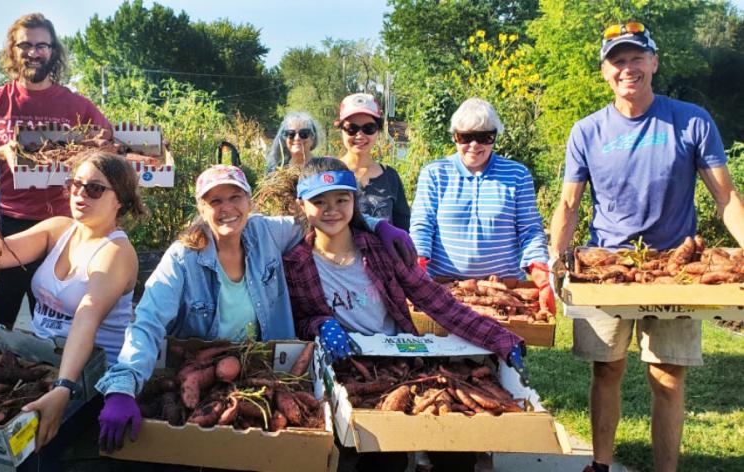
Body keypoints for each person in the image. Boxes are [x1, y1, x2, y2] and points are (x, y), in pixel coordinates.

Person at [95, 164, 418, 452]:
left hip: (269, 373)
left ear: (249, 202)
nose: (227, 209)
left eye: (235, 197)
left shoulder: (267, 233)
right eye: (215, 201)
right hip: (206, 374)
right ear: (201, 208)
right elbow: (148, 320)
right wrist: (123, 386)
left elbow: (326, 215)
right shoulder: (183, 257)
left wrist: (376, 225)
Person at [548, 22, 744, 472]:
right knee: (607, 370)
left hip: (677, 269)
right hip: (606, 267)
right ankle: (600, 464)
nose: (628, 68)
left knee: (668, 377)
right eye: (618, 61)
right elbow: (568, 202)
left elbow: (725, 197)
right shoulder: (588, 131)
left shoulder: (691, 120)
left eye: (637, 58)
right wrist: (554, 259)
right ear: (605, 72)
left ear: (654, 63)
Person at [283, 157, 527, 471]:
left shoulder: (380, 250)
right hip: (346, 373)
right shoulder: (296, 263)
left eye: (341, 199)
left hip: (400, 364)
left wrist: (502, 339)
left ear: (354, 201)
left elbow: (437, 301)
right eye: (319, 202)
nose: (331, 210)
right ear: (303, 205)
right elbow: (299, 320)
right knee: (382, 458)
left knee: (454, 446)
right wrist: (320, 324)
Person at [0, 151, 144, 470]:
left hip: (90, 376)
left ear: (120, 199)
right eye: (75, 184)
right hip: (43, 363)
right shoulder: (60, 229)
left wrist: (64, 388)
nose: (80, 194)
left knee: (38, 454)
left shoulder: (116, 252)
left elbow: (86, 319)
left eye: (94, 189)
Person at [0, 12, 112, 329]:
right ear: (12, 50)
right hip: (6, 223)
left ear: (53, 51)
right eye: (25, 45)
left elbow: (109, 148)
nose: (33, 53)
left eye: (41, 45)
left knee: (53, 322)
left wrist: (150, 148)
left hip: (60, 227)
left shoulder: (77, 105)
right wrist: (0, 153)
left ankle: (52, 377)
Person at [410, 97, 554, 313]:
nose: (474, 145)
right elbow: (422, 226)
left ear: (495, 137)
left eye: (485, 136)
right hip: (445, 287)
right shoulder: (435, 173)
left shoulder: (517, 174)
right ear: (454, 137)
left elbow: (530, 230)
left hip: (503, 291)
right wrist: (416, 266)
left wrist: (540, 272)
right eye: (465, 137)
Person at [336, 93, 411, 231]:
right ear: (341, 129)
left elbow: (404, 228)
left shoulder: (390, 177)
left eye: (368, 128)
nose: (359, 135)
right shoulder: (329, 173)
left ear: (378, 130)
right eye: (351, 128)